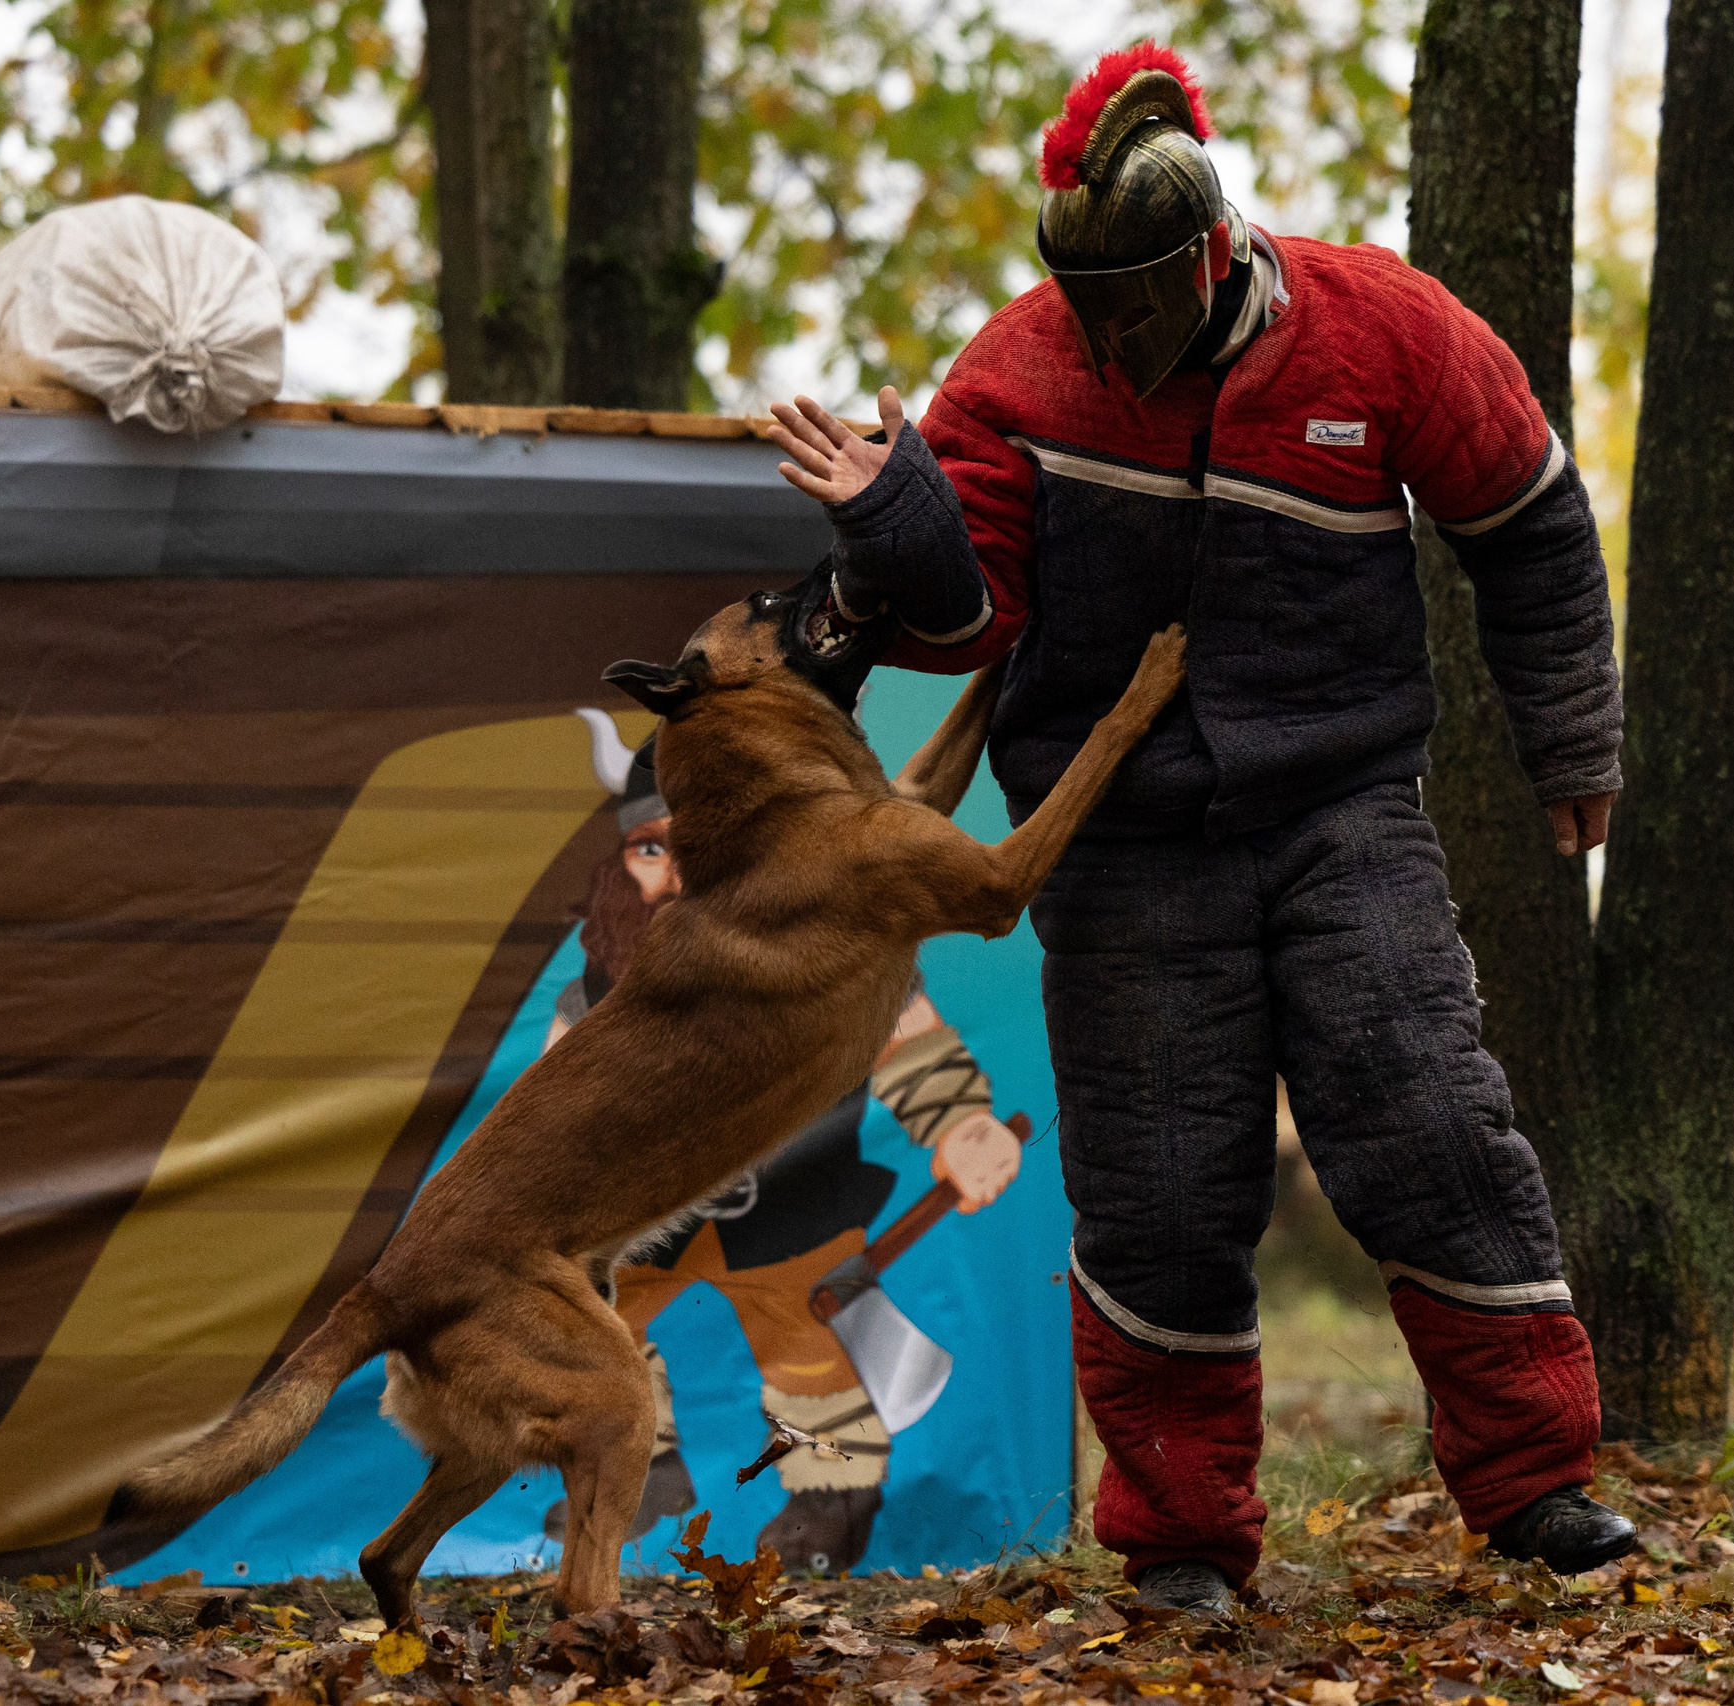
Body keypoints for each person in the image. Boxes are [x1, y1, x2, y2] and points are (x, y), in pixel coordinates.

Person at [764, 43, 1637, 1612]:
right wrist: (890, 518)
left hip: (1344, 804)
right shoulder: (1015, 376)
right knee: (1162, 1184)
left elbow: (1530, 515)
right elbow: (970, 618)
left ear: (1210, 251)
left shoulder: (1381, 330)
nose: (1112, 334)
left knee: (1427, 1114)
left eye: (1137, 302)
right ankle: (1177, 1538)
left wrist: (1571, 731)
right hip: (1124, 836)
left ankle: (1538, 1479)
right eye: (1087, 303)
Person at [539, 741, 1024, 1574]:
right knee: (593, 1328)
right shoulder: (602, 982)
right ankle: (637, 1464)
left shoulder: (839, 951)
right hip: (646, 1220)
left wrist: (962, 1126)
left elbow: (912, 1049)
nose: (677, 877)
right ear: (625, 861)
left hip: (794, 1212)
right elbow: (551, 1108)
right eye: (652, 849)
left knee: (809, 1357)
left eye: (700, 851)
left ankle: (829, 1498)